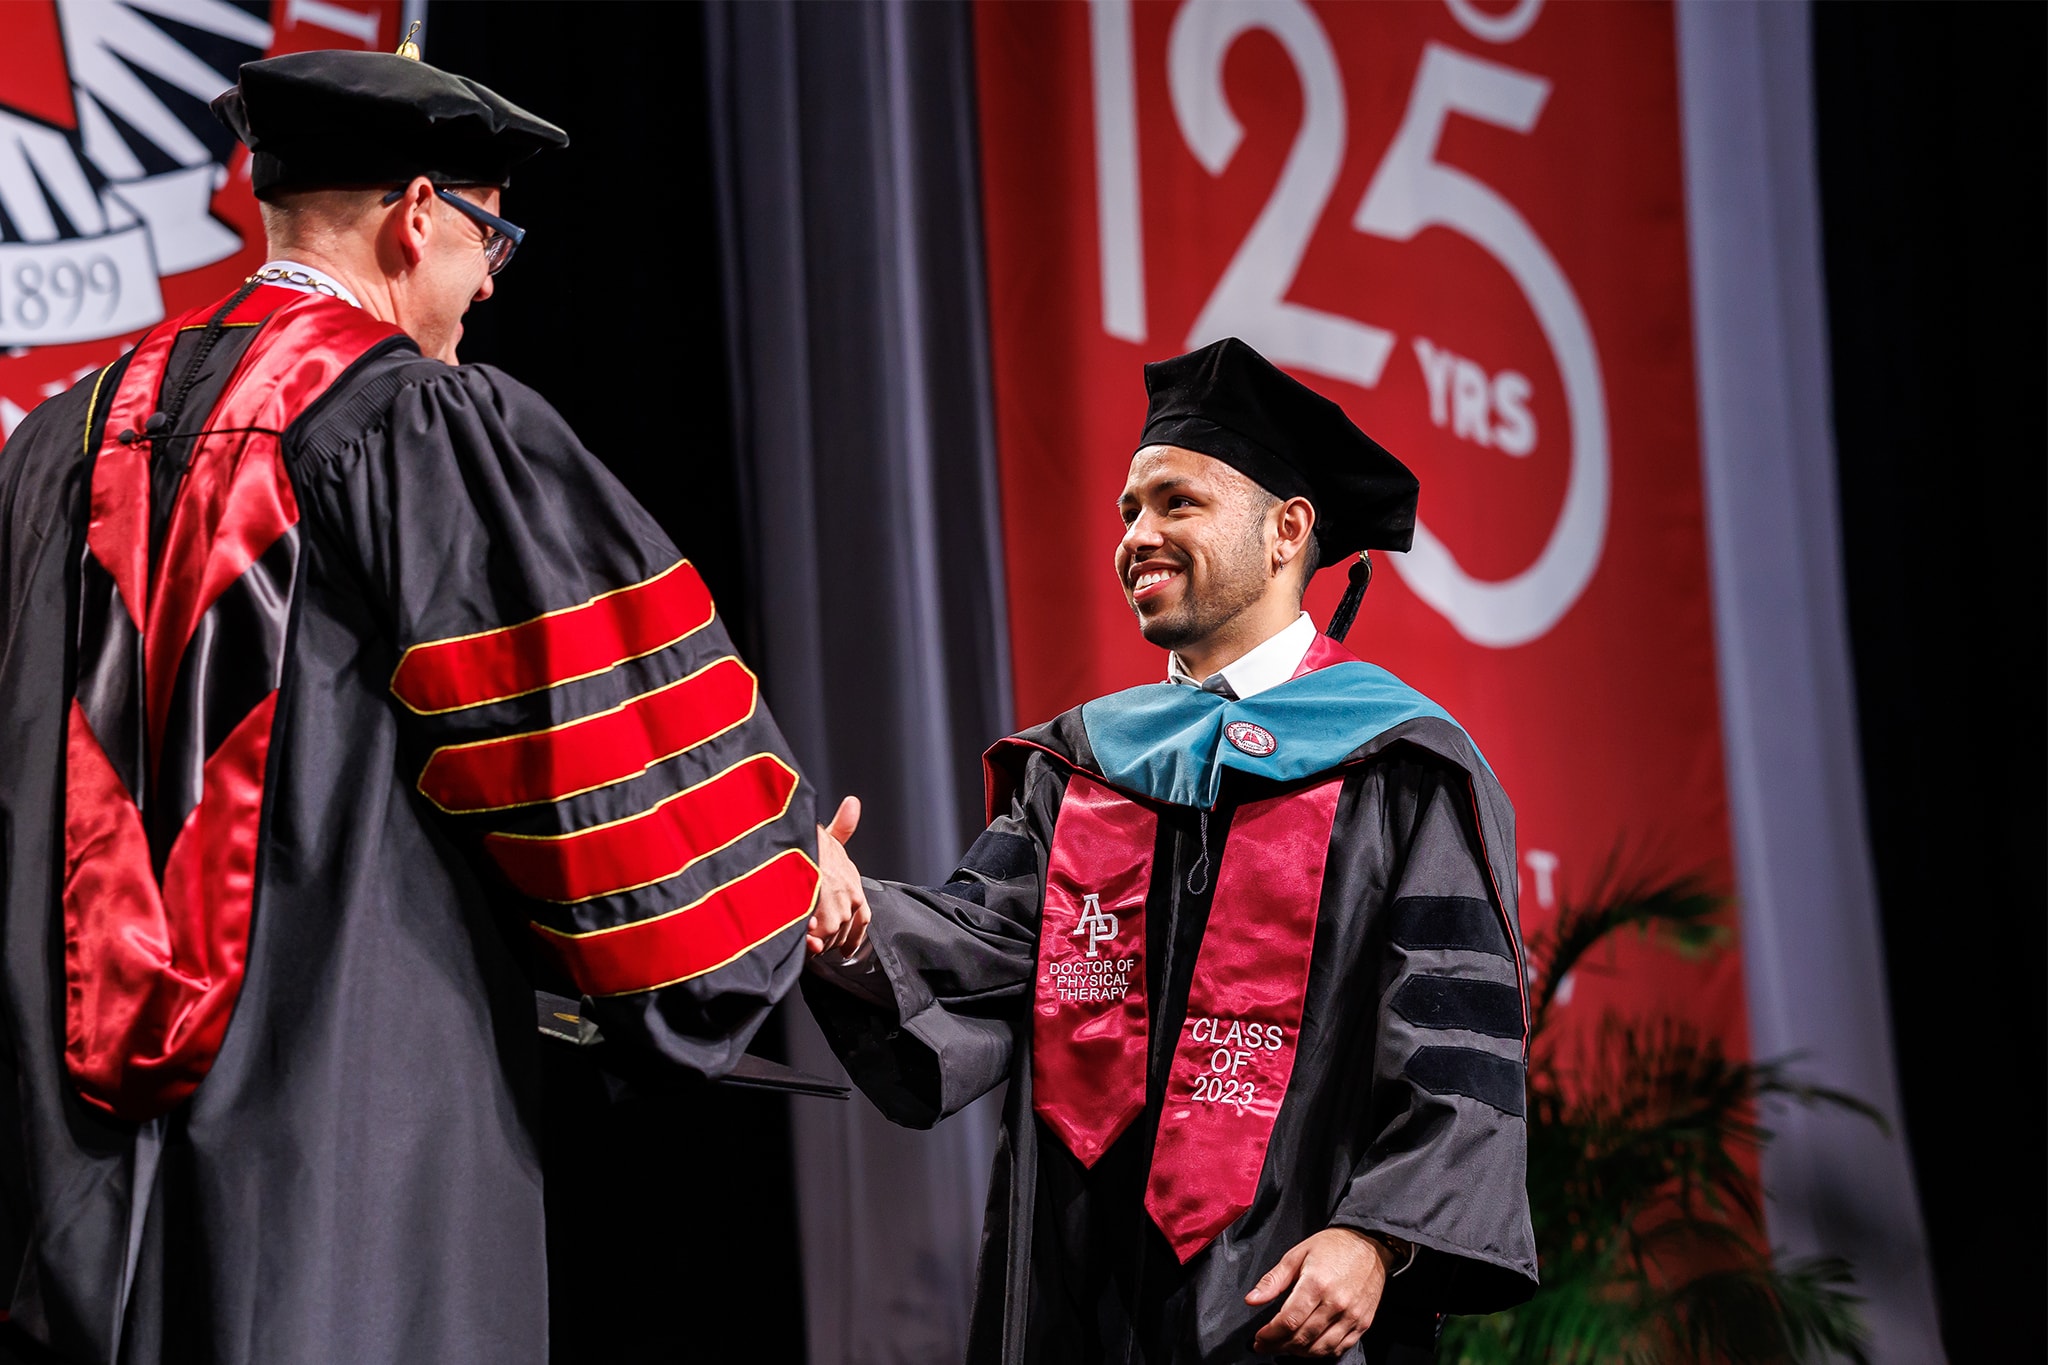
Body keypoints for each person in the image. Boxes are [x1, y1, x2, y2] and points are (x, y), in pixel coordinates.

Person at [0, 45, 859, 1365]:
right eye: (489, 232)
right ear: (415, 216)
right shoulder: (413, 422)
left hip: (60, 1162)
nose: (492, 275)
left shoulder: (55, 442)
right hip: (349, 1135)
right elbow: (583, 750)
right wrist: (768, 872)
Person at [805, 338, 1538, 1363]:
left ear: (1288, 531)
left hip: (1290, 1299)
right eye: (1128, 512)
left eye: (1176, 503)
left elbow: (1453, 1045)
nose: (1137, 536)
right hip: (1075, 1292)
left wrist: (1376, 1237)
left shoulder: (1402, 768)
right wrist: (845, 920)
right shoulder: (1084, 766)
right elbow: (978, 946)